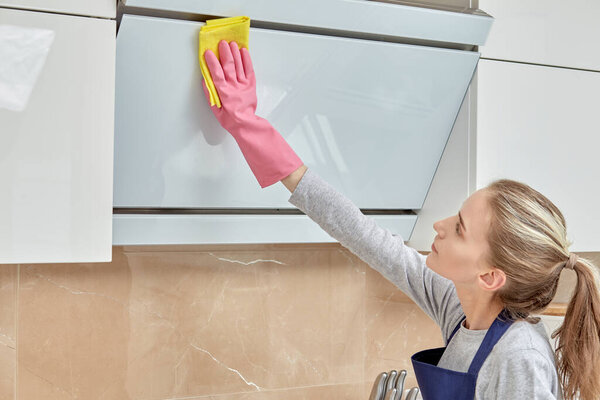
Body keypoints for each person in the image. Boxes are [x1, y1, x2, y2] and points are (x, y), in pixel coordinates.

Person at [200, 39, 600, 400]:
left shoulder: (519, 357)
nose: (440, 225)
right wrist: (250, 126)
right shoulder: (462, 311)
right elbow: (362, 234)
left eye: (459, 228)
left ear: (490, 277)